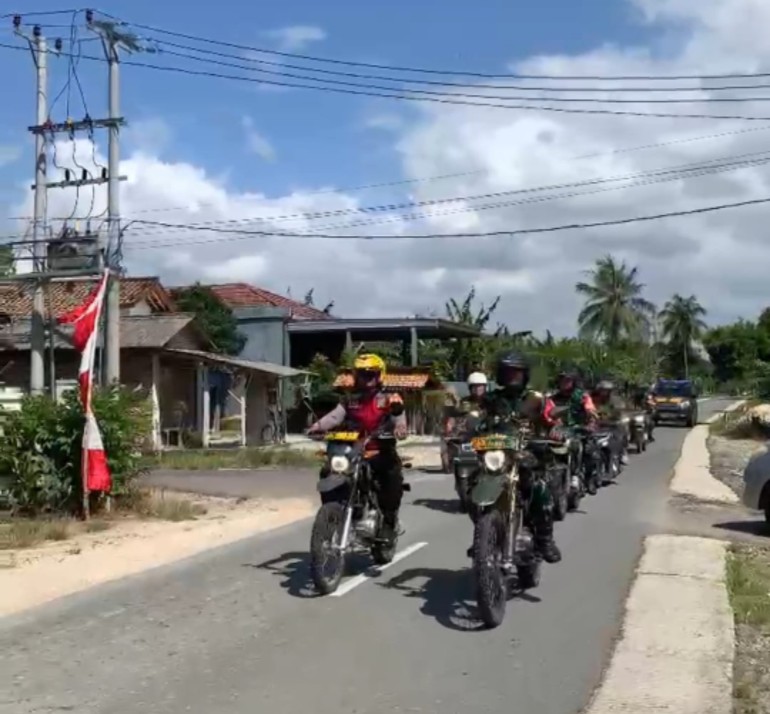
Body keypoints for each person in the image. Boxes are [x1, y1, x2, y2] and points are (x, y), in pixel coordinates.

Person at [307, 353, 407, 543]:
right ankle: (332, 515)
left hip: (379, 449)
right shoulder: (350, 399)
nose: (366, 378)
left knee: (391, 477)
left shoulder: (390, 397)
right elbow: (335, 417)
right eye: (362, 374)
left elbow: (398, 415)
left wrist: (400, 427)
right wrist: (317, 427)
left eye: (371, 374)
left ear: (380, 375)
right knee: (328, 470)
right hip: (352, 450)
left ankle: (389, 522)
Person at [476, 351, 562, 564]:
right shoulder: (490, 399)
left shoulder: (537, 399)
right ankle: (484, 538)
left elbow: (552, 420)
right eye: (508, 372)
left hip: (527, 451)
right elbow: (475, 419)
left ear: (525, 375)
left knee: (539, 490)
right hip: (498, 454)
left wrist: (556, 431)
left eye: (516, 373)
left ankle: (545, 540)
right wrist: (466, 430)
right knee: (475, 484)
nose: (512, 377)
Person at [591, 378, 629, 468]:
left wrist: (616, 416)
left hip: (612, 424)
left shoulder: (615, 400)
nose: (604, 392)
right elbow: (590, 409)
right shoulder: (593, 399)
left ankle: (623, 452)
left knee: (621, 432)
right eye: (602, 390)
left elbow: (620, 409)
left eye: (606, 390)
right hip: (597, 424)